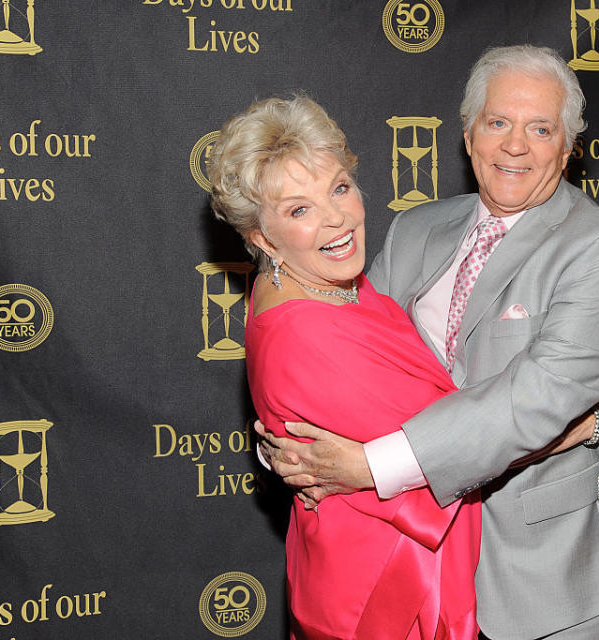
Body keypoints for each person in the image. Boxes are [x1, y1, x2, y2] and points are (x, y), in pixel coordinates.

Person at [257, 45, 599, 639]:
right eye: (497, 122)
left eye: (540, 128)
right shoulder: (415, 228)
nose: (515, 145)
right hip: (414, 564)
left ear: (570, 148)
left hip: (542, 572)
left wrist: (370, 465)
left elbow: (537, 399)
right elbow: (342, 355)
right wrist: (291, 444)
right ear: (468, 136)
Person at [208, 95, 485, 639]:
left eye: (338, 187)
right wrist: (587, 424)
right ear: (263, 238)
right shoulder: (307, 329)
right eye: (298, 209)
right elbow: (468, 441)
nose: (337, 218)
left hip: (349, 554)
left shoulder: (307, 284)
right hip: (387, 589)